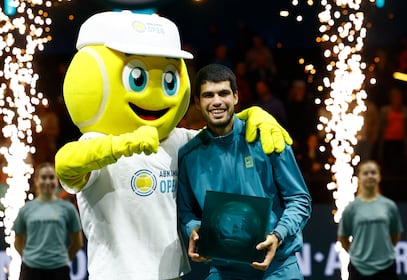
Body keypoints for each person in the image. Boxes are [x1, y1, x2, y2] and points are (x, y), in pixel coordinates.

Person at [55, 11, 292, 280]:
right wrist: (119, 146)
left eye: (168, 79)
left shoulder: (177, 140)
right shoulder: (95, 144)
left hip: (172, 272)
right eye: (139, 78)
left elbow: (221, 132)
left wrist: (253, 115)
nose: (154, 93)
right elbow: (66, 164)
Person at [177, 64, 312, 280]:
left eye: (223, 93)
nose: (217, 101)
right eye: (208, 95)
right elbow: (186, 213)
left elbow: (299, 199)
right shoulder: (188, 156)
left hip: (278, 269)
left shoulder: (267, 138)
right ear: (197, 102)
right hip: (223, 271)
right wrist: (193, 229)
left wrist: (278, 235)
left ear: (236, 97)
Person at [13, 162, 83, 280]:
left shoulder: (68, 208)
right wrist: (30, 258)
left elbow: (78, 242)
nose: (47, 181)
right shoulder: (26, 209)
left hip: (59, 269)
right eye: (43, 177)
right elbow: (17, 241)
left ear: (57, 181)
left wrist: (62, 259)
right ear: (36, 181)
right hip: (30, 270)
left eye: (51, 177)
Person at [337, 160, 403, 280]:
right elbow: (343, 238)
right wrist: (357, 254)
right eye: (365, 173)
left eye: (373, 172)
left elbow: (395, 235)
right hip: (359, 267)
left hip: (386, 266)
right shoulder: (351, 208)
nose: (370, 176)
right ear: (359, 177)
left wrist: (383, 252)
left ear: (379, 176)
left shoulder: (389, 206)